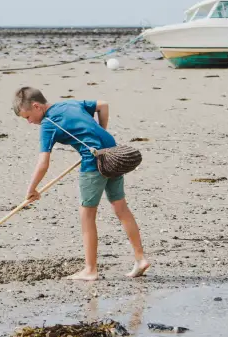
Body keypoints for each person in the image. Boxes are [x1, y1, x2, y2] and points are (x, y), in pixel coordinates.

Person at [13, 86, 149, 282]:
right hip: (113, 155)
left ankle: (90, 269)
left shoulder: (48, 124)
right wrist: (101, 131)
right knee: (121, 208)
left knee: (87, 216)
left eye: (27, 117)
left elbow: (43, 163)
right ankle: (140, 258)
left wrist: (31, 189)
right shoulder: (69, 103)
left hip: (94, 163)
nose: (29, 122)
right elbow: (103, 105)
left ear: (37, 106)